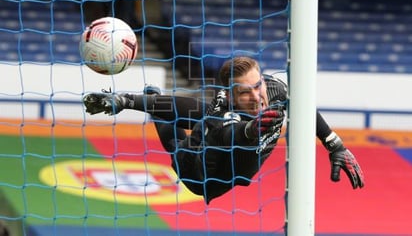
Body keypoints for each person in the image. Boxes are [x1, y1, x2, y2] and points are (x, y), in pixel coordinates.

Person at [83, 56, 364, 204]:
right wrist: (126, 101)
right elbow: (209, 119)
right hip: (201, 174)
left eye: (258, 86)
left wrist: (334, 144)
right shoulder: (223, 116)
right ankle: (156, 106)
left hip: (237, 165)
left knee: (191, 117)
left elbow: (302, 104)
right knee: (179, 141)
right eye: (245, 93)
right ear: (229, 96)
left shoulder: (276, 90)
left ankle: (155, 102)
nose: (256, 97)